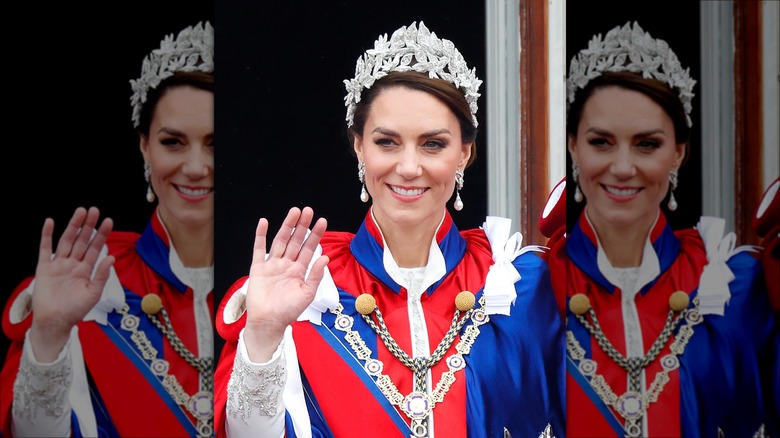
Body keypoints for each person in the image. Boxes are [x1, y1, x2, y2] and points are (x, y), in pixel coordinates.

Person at [212, 21, 565, 438]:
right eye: (387, 142)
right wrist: (265, 334)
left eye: (433, 144)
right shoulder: (305, 290)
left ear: (465, 153)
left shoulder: (519, 288)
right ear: (359, 145)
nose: (410, 167)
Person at [546, 21, 778, 437]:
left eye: (646, 144)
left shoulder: (738, 289)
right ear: (572, 146)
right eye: (601, 142)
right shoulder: (531, 290)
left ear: (678, 153)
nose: (622, 167)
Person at [0, 21, 215, 437]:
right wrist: (49, 335)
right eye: (173, 142)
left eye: (215, 143)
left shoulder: (273, 280)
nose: (195, 167)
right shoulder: (94, 284)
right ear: (144, 146)